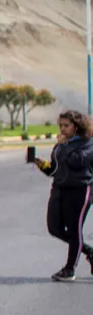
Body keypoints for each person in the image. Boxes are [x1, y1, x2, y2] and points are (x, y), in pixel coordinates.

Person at [34, 110, 93, 282]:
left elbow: (77, 161)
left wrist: (65, 145)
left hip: (80, 190)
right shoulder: (61, 145)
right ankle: (89, 251)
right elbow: (55, 169)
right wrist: (42, 165)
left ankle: (69, 269)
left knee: (74, 230)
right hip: (59, 189)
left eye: (66, 125)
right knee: (54, 228)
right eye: (60, 125)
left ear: (76, 126)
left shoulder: (88, 142)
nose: (62, 129)